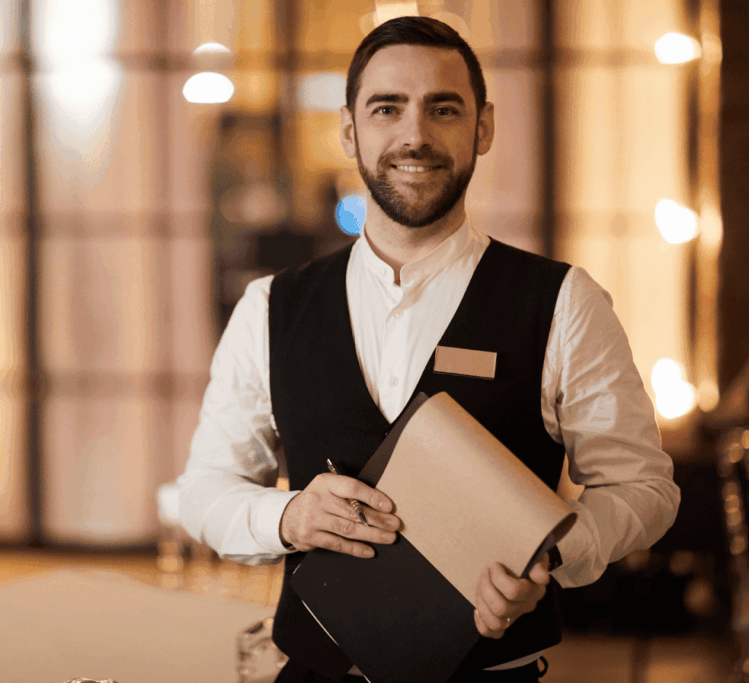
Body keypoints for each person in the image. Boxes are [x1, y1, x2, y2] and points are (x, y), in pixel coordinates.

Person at [177, 16, 680, 683]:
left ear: (484, 127)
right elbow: (204, 493)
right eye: (388, 108)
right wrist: (290, 514)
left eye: (443, 109)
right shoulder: (271, 307)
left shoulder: (563, 301)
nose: (415, 136)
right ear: (351, 130)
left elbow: (645, 487)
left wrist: (551, 553)